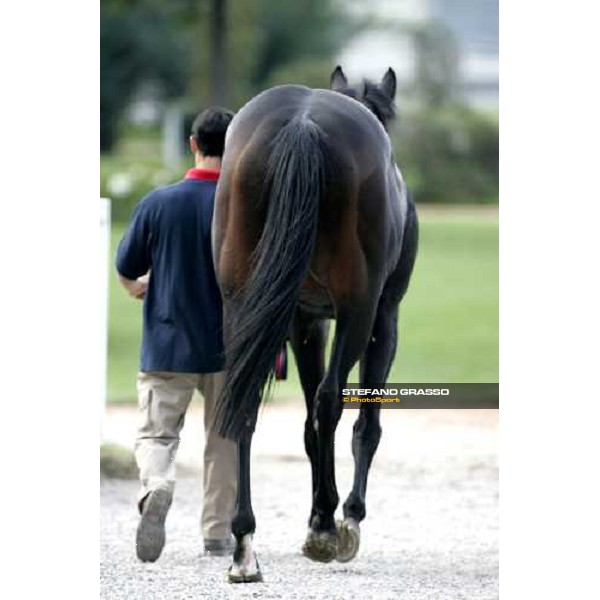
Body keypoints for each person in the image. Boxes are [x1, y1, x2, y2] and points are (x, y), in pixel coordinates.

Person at [115, 107, 236, 563]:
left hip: (166, 342)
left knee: (156, 435)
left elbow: (127, 268)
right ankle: (217, 534)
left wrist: (137, 287)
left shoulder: (158, 203)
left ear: (192, 144)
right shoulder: (244, 207)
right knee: (224, 441)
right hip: (227, 346)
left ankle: (158, 484)